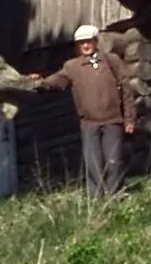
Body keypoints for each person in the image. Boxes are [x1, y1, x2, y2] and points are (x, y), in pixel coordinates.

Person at [37, 22, 143, 198]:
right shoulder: (72, 67)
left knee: (114, 161)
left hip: (113, 121)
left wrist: (129, 119)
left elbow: (126, 90)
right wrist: (39, 82)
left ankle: (114, 196)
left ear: (95, 42)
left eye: (89, 42)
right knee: (93, 163)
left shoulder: (111, 61)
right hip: (89, 124)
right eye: (81, 43)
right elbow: (55, 81)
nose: (85, 46)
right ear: (77, 46)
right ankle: (95, 200)